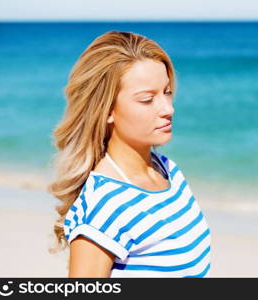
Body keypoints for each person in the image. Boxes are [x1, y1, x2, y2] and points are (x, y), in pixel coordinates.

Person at [47, 31, 211, 278]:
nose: (169, 108)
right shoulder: (104, 207)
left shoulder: (169, 170)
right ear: (106, 110)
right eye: (147, 99)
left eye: (167, 92)